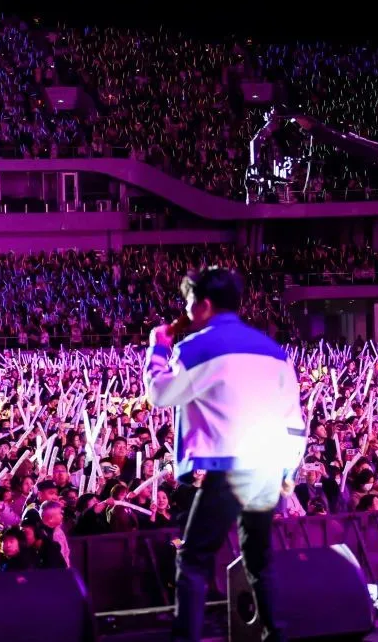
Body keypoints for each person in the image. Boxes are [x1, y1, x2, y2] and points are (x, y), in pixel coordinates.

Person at [144, 267, 305, 642]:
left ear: (203, 304)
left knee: (194, 558)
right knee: (259, 557)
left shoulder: (197, 346)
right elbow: (294, 419)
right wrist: (288, 471)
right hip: (267, 467)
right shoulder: (274, 351)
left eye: (188, 303)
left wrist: (158, 348)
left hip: (230, 468)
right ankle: (275, 634)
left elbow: (160, 395)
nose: (186, 311)